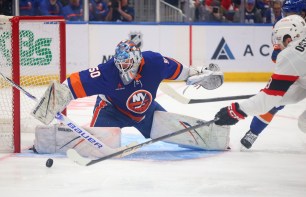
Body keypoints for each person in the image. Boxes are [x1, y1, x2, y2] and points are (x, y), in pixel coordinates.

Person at [31, 40, 230, 157]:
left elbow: (184, 72)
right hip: (110, 110)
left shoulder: (155, 62)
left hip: (145, 111)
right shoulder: (106, 72)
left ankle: (215, 139)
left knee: (173, 131)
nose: (122, 67)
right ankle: (48, 141)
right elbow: (69, 86)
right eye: (120, 62)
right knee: (95, 148)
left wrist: (200, 75)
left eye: (127, 62)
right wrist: (48, 107)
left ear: (137, 59)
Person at [214, 15, 306, 148]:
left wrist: (236, 111)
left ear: (289, 38)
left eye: (278, 40)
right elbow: (295, 93)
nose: (277, 45)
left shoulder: (292, 54)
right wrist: (270, 96)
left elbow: (268, 100)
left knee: (304, 123)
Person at [239, 1, 306, 149]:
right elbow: (277, 55)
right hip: (301, 74)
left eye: (289, 13)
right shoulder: (288, 26)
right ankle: (254, 132)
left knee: (303, 123)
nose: (285, 17)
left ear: (303, 13)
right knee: (275, 100)